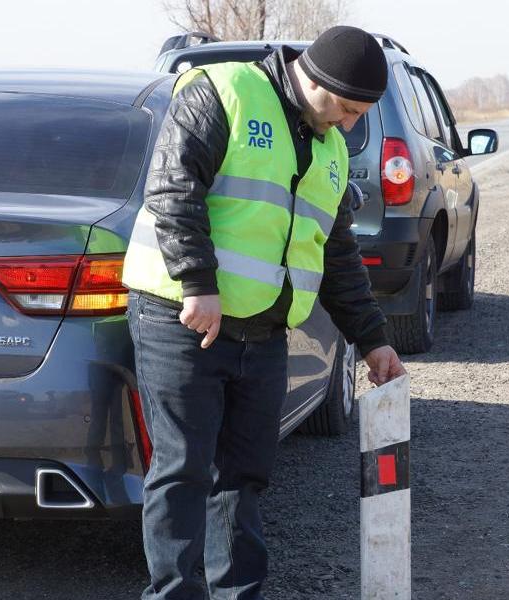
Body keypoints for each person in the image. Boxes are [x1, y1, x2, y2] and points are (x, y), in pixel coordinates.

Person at [122, 25, 406, 600]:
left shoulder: (329, 149)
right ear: (317, 80)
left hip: (264, 332)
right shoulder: (223, 91)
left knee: (243, 477)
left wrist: (374, 339)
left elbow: (337, 253)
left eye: (358, 116)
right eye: (347, 109)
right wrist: (198, 282)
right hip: (183, 320)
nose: (347, 124)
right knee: (183, 470)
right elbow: (174, 189)